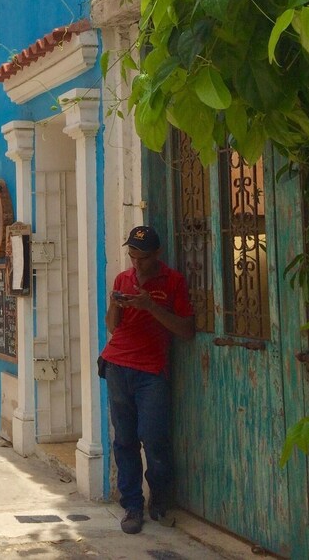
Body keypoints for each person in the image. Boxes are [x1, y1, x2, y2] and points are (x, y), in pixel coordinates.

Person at [100, 225, 195, 535]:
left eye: (142, 258)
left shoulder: (173, 282)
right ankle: (132, 504)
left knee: (154, 439)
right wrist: (116, 303)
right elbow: (113, 327)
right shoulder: (123, 279)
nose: (136, 264)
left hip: (152, 371)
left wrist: (150, 306)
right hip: (117, 365)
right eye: (131, 257)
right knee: (124, 439)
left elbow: (186, 330)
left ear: (157, 255)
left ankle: (160, 501)